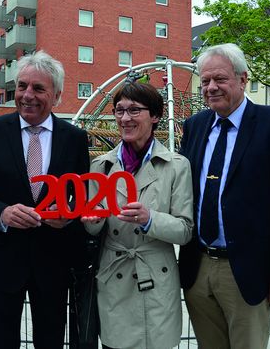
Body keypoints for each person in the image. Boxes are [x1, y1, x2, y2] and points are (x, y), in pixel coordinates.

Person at [0, 50, 90, 349]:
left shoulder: (74, 138)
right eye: (21, 86)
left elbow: (81, 199)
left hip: (53, 266)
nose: (27, 95)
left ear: (56, 95)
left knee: (51, 342)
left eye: (38, 88)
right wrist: (1, 213)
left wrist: (67, 216)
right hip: (2, 265)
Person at [178, 43, 270, 349]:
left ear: (242, 79)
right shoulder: (195, 126)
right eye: (205, 80)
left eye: (220, 79)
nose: (211, 87)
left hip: (247, 272)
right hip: (198, 267)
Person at [81, 82, 193, 349]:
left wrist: (150, 219)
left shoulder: (176, 166)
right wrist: (93, 222)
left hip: (156, 278)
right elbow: (93, 229)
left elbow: (185, 230)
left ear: (155, 116)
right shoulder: (101, 166)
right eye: (119, 111)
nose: (125, 118)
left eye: (134, 110)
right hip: (114, 277)